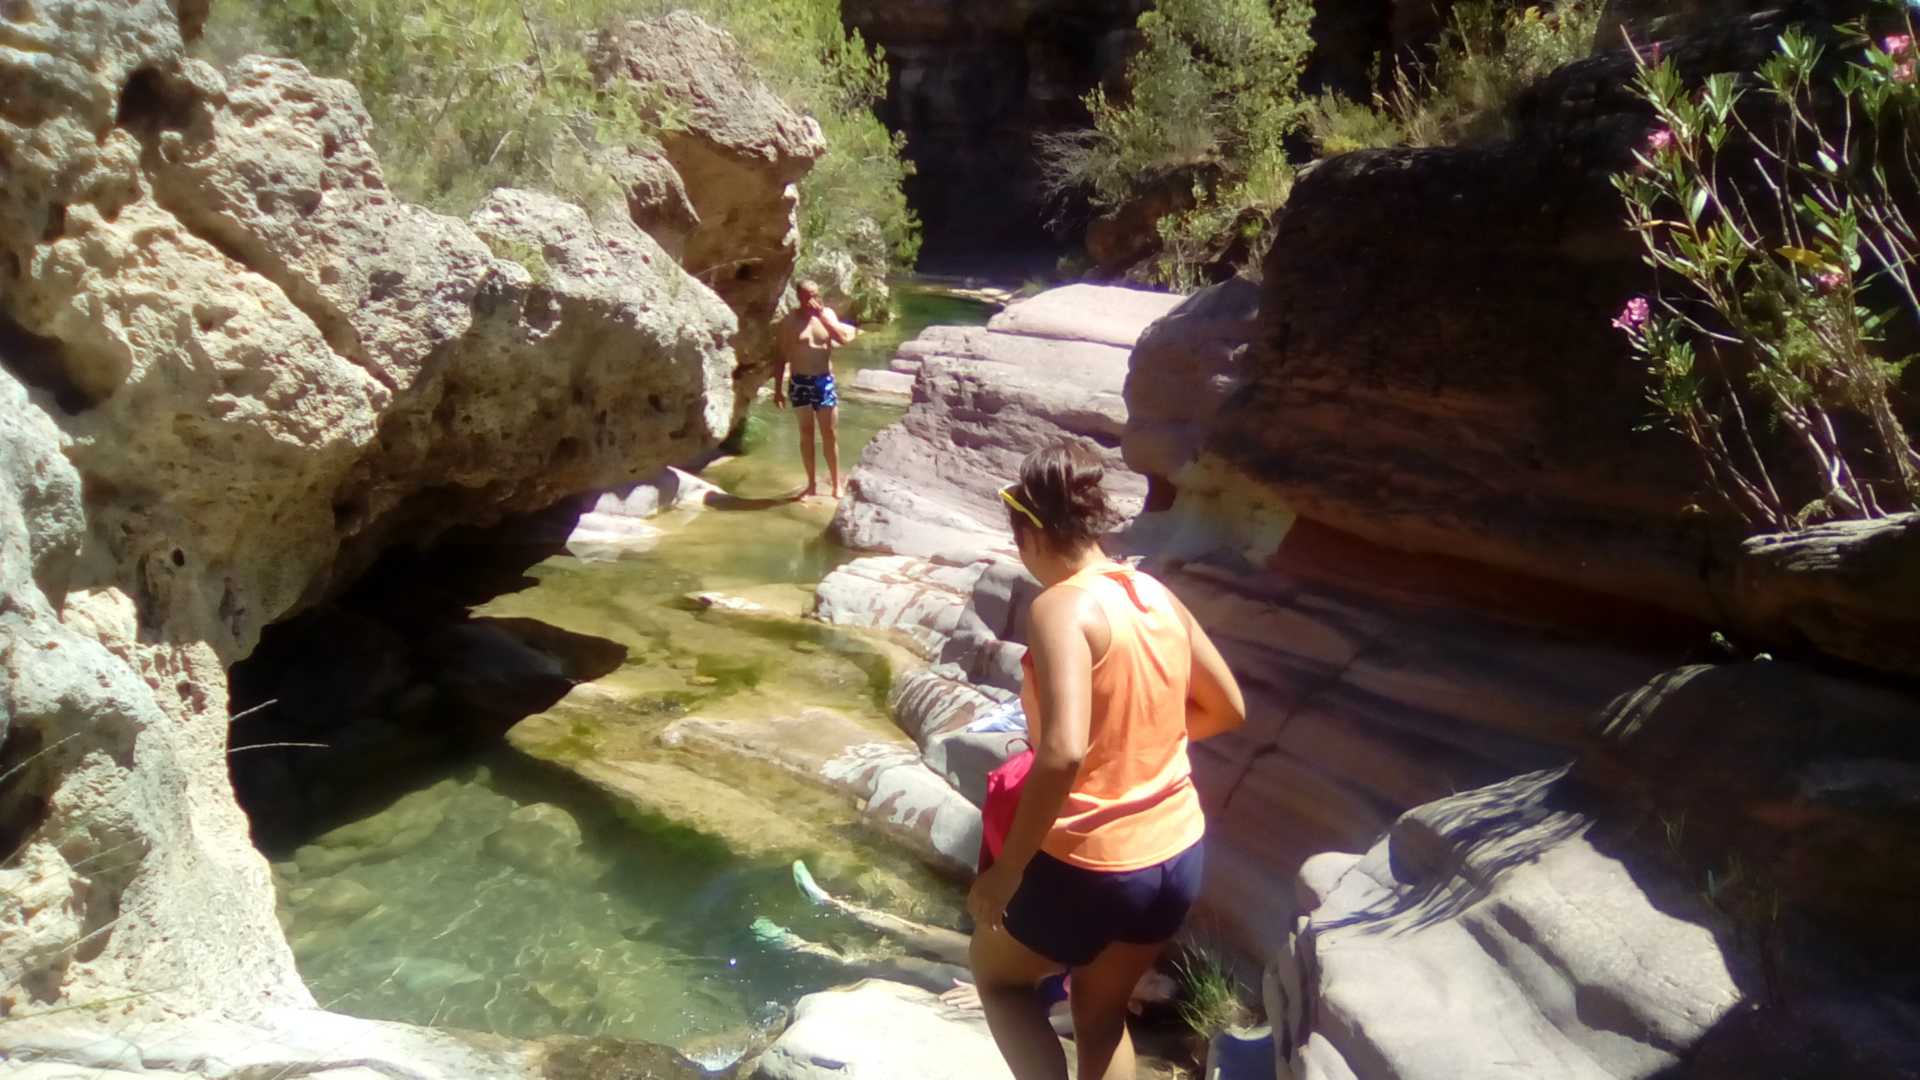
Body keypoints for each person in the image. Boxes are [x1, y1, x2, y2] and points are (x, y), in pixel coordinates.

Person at [968, 442, 1247, 1080]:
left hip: (1096, 862)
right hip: (1177, 852)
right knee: (1100, 1014)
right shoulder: (1152, 591)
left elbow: (1062, 751)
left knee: (998, 978)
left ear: (1030, 533)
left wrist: (1006, 874)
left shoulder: (1061, 605)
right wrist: (1137, 752)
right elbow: (1226, 707)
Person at [772, 279, 857, 499]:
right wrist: (777, 389)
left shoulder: (827, 314)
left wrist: (821, 318)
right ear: (798, 296)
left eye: (816, 294)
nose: (812, 299)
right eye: (808, 295)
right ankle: (811, 485)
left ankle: (836, 484)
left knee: (829, 433)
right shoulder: (790, 321)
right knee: (806, 433)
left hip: (824, 380)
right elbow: (780, 357)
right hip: (800, 382)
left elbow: (844, 339)